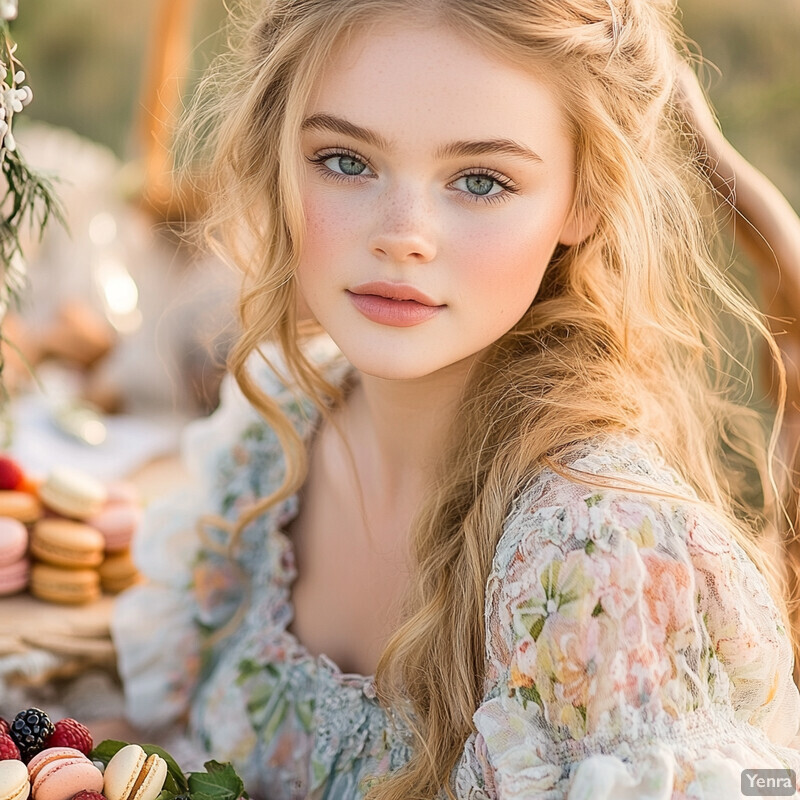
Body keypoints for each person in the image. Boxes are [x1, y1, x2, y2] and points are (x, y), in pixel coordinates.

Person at [109, 0, 800, 797]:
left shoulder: (599, 559)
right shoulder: (276, 435)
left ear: (584, 196)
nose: (403, 234)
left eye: (481, 180)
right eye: (345, 160)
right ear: (278, 154)